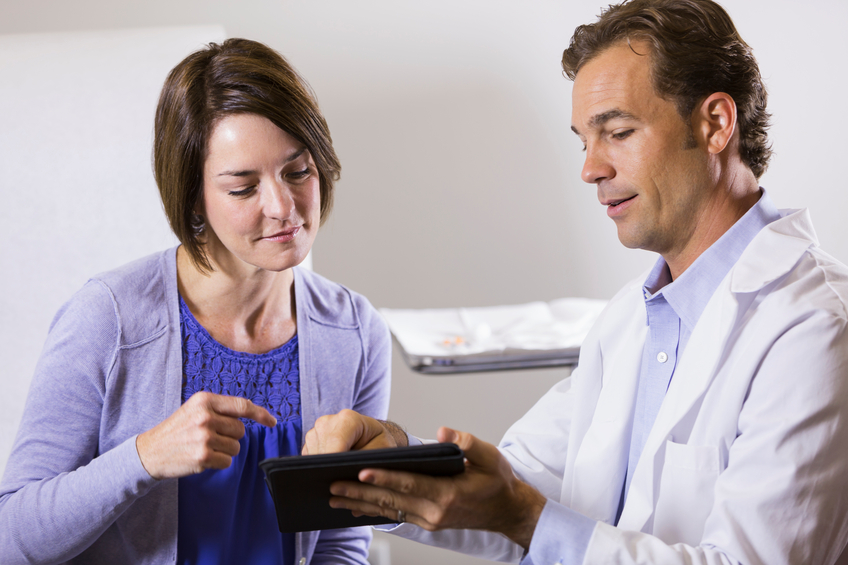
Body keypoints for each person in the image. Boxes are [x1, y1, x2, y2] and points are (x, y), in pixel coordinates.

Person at [301, 1, 848, 563]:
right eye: (584, 140)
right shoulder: (630, 320)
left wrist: (523, 516)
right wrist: (392, 456)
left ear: (714, 124)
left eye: (617, 131)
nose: (591, 168)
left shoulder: (812, 328)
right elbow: (519, 482)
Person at [0, 38, 391, 565]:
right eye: (242, 188)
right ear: (193, 198)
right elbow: (12, 535)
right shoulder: (107, 318)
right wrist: (144, 458)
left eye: (298, 172)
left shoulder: (356, 331)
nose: (283, 206)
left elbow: (340, 540)